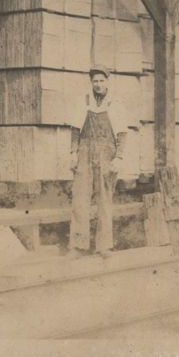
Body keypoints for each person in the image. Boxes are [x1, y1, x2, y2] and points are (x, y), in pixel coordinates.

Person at [67, 65, 129, 259]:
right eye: (95, 81)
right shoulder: (84, 101)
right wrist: (73, 152)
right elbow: (76, 129)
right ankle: (78, 245)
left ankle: (104, 246)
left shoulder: (115, 103)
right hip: (85, 150)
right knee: (80, 198)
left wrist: (119, 157)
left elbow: (122, 134)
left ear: (107, 82)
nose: (98, 85)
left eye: (102, 81)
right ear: (91, 82)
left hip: (106, 152)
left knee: (104, 199)